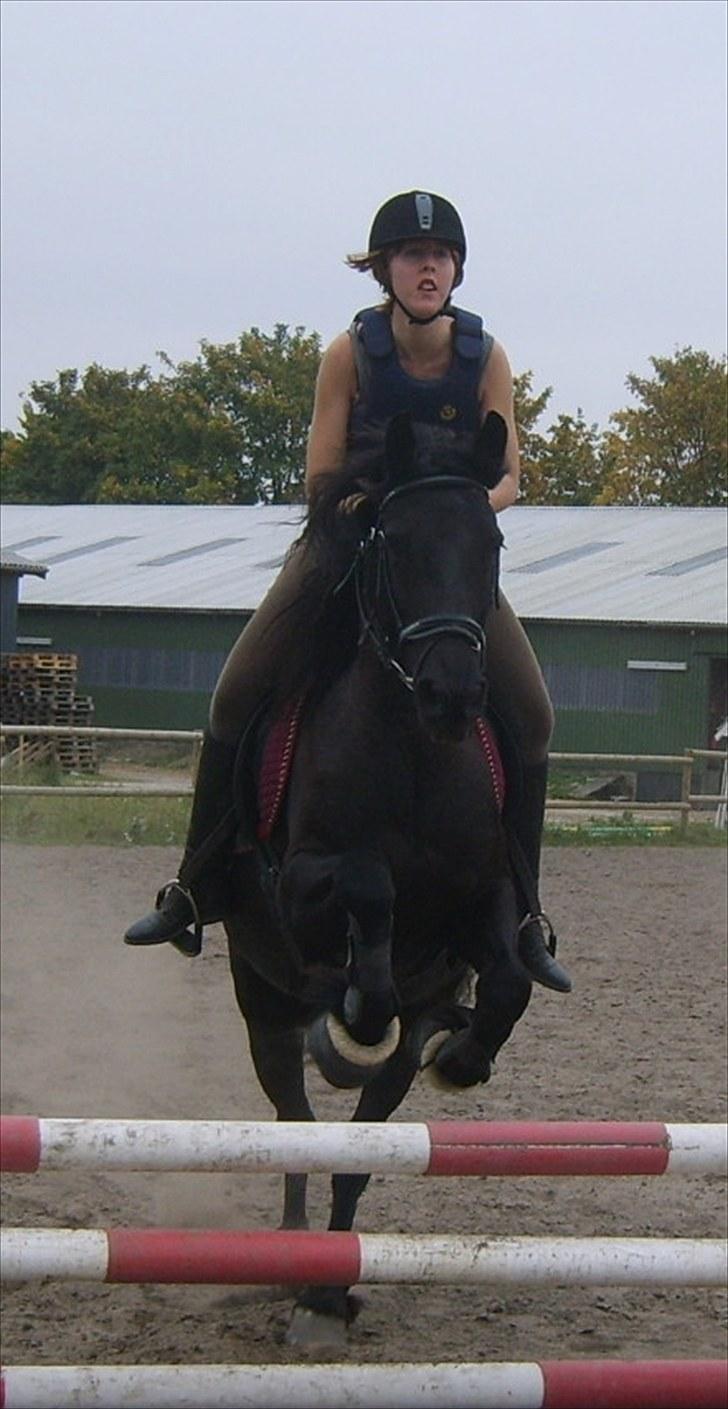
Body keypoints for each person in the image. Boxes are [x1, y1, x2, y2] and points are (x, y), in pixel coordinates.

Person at [124, 189, 571, 993]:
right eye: (411, 256)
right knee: (234, 693)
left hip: (440, 560)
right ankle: (194, 885)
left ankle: (528, 914)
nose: (428, 267)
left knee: (533, 716)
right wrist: (381, 509)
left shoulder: (487, 355)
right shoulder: (349, 353)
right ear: (384, 271)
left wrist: (452, 506)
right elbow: (322, 472)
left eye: (439, 257)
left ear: (457, 269)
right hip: (346, 546)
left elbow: (508, 477)